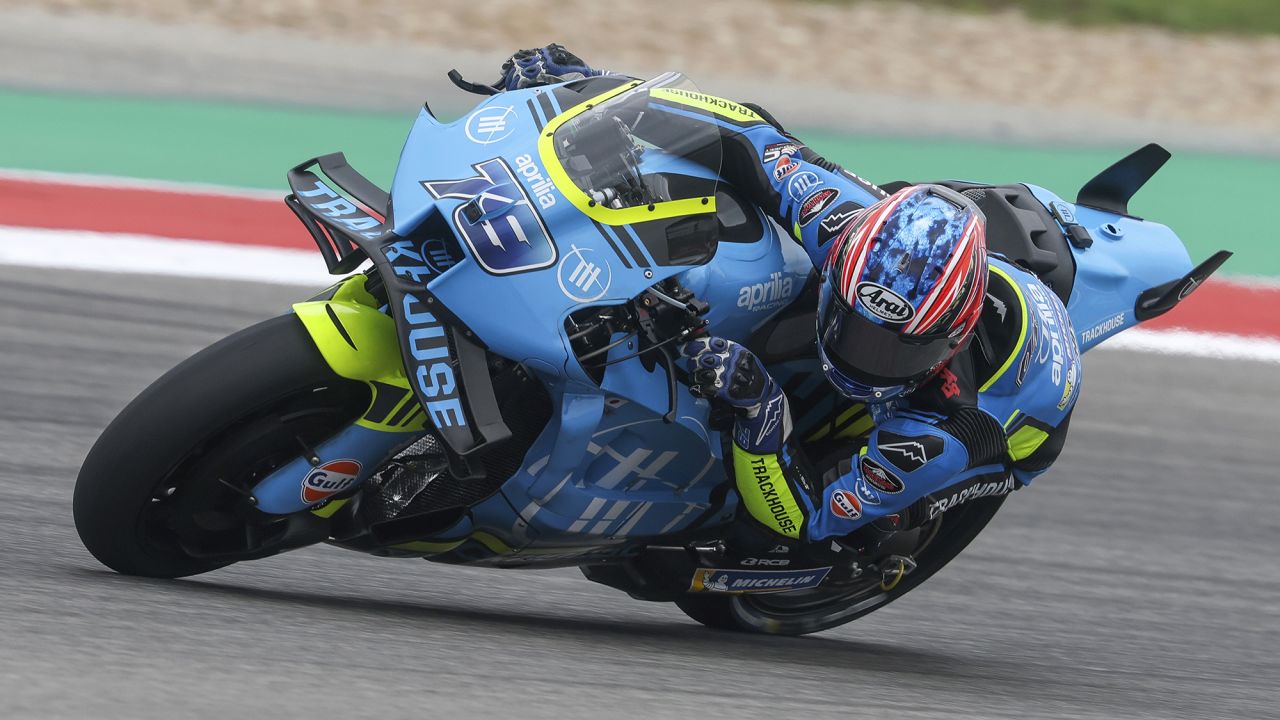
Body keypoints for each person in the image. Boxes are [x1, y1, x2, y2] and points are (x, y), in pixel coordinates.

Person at [490, 46, 1081, 558]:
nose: (861, 357)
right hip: (935, 276)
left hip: (994, 432)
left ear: (950, 338)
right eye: (852, 326)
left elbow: (805, 514)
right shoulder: (845, 227)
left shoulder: (945, 431)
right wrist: (590, 87)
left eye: (890, 350)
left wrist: (761, 409)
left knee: (804, 532)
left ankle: (882, 536)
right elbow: (750, 135)